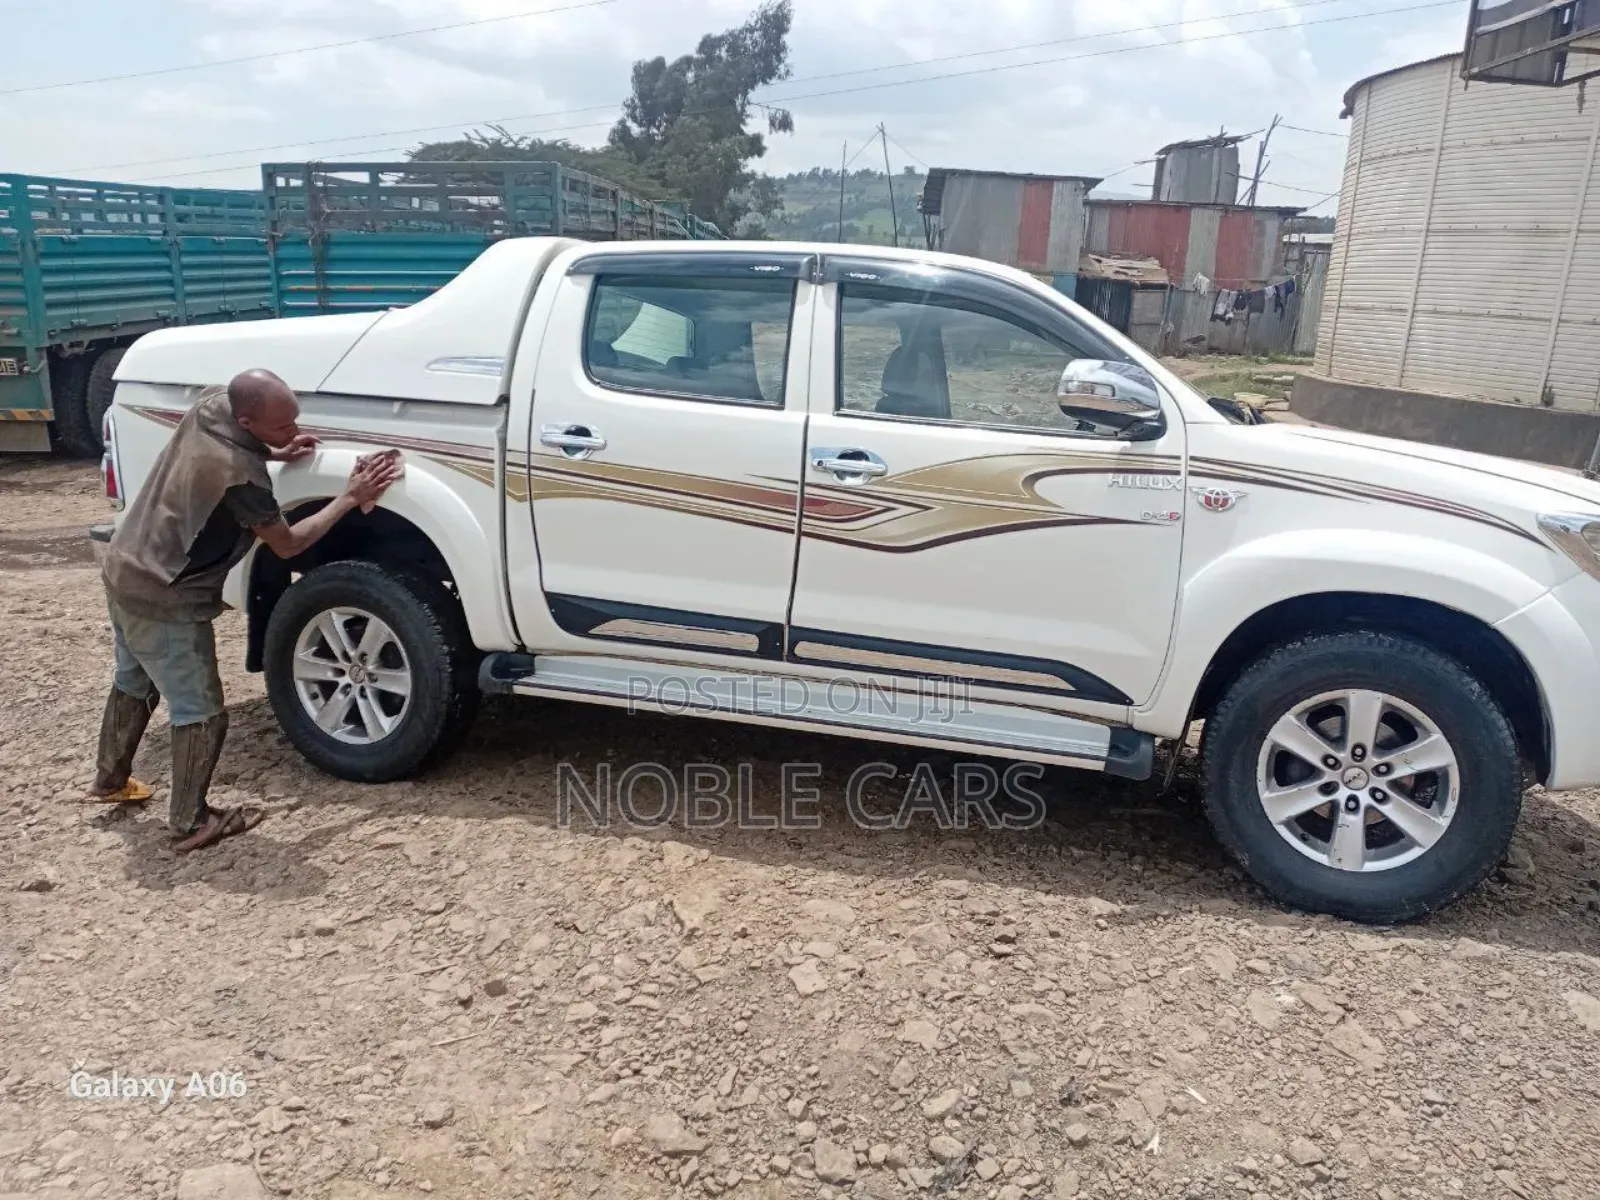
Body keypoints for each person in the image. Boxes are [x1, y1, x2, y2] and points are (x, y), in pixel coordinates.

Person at [90, 368, 401, 852]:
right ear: (248, 420)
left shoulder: (213, 405)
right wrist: (351, 496)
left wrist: (275, 449)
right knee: (203, 713)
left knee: (133, 679)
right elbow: (290, 544)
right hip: (167, 595)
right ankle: (191, 824)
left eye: (294, 421)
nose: (294, 433)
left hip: (125, 567)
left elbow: (237, 442)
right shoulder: (240, 476)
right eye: (282, 429)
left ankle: (109, 780)